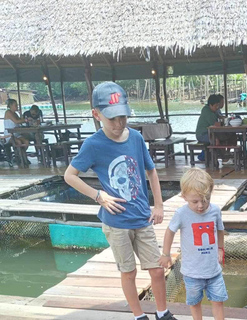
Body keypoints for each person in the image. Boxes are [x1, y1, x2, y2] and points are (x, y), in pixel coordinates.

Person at [64, 82, 176, 320]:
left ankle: (162, 312)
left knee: (156, 270)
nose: (118, 124)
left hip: (141, 216)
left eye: (123, 117)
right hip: (116, 222)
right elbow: (69, 176)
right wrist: (98, 195)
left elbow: (151, 171)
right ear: (96, 114)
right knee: (129, 272)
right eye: (112, 118)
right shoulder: (93, 144)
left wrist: (158, 205)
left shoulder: (135, 137)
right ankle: (138, 315)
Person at [160, 168, 227, 320]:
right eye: (195, 201)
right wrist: (166, 254)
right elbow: (169, 232)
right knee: (195, 303)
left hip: (214, 271)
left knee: (218, 301)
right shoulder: (181, 214)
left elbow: (220, 230)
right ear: (184, 196)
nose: (201, 206)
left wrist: (220, 249)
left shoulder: (215, 211)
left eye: (205, 200)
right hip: (192, 273)